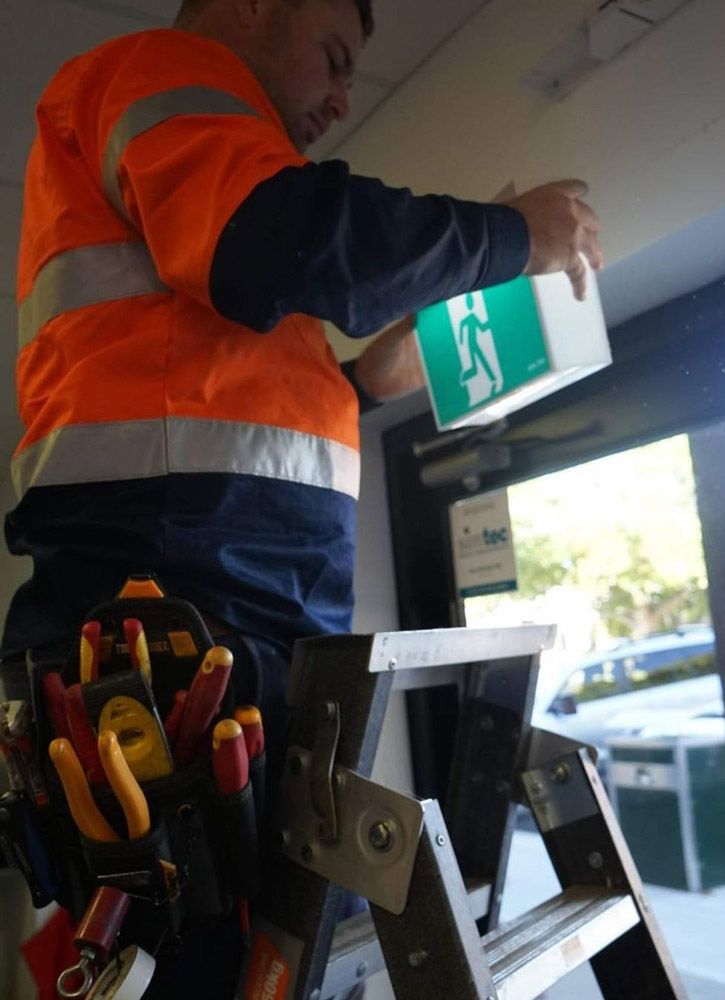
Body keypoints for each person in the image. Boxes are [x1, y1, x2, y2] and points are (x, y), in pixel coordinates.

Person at [2, 0, 603, 994]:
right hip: (171, 598)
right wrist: (509, 236)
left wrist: (365, 381)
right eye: (332, 57)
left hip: (229, 601)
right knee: (192, 938)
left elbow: (230, 398)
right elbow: (278, 241)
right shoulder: (159, 70)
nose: (336, 98)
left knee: (226, 945)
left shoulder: (205, 204)